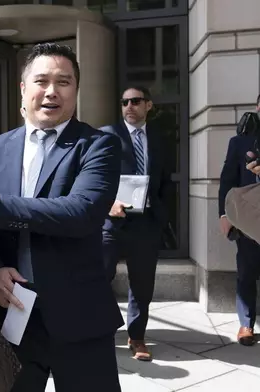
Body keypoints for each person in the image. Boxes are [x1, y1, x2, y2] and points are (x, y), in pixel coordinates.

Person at [0, 43, 123, 392]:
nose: (52, 91)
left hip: (79, 317)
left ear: (75, 89)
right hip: (11, 315)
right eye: (41, 80)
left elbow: (81, 212)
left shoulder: (99, 145)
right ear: (24, 88)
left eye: (64, 82)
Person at [99, 86, 171, 361]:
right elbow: (95, 178)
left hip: (146, 223)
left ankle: (137, 337)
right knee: (100, 279)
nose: (129, 106)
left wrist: (162, 215)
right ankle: (101, 331)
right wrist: (107, 205)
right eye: (124, 102)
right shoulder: (107, 135)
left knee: (142, 285)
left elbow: (165, 180)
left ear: (148, 105)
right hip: (113, 220)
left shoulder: (160, 138)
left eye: (136, 101)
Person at [219, 116, 260, 346]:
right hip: (248, 218)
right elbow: (227, 180)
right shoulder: (240, 142)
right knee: (246, 270)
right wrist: (224, 215)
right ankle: (246, 324)